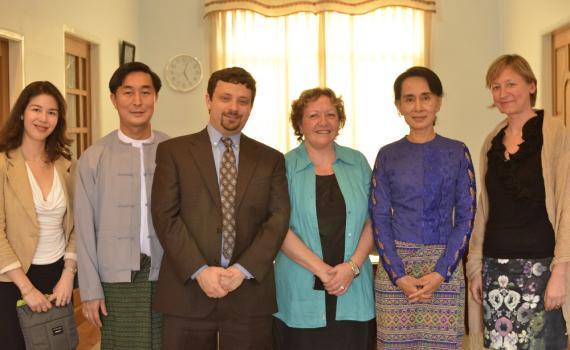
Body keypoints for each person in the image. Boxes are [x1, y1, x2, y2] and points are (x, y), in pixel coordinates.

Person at [151, 66, 290, 350]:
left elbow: (277, 219)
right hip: (187, 289)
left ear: (251, 106)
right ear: (208, 100)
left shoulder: (270, 159)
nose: (234, 107)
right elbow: (165, 217)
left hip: (249, 291)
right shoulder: (174, 152)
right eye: (225, 98)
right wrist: (200, 270)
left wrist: (242, 270)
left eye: (243, 100)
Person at [466, 54, 570, 350]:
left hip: (542, 269)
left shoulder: (556, 134)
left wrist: (560, 273)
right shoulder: (491, 142)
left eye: (511, 83)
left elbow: (567, 207)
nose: (503, 93)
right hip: (495, 269)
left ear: (531, 86)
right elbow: (484, 211)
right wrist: (476, 269)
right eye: (496, 86)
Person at [370, 66, 476, 349]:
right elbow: (379, 216)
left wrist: (442, 272)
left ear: (438, 101)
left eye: (425, 97)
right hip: (396, 269)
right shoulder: (387, 155)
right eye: (409, 99)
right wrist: (398, 275)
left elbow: (466, 216)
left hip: (445, 268)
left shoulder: (457, 151)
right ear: (398, 106)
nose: (418, 107)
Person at [272, 87, 375, 350]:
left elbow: (374, 219)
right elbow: (277, 227)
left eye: (331, 114)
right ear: (299, 122)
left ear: (339, 122)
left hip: (352, 287)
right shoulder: (282, 166)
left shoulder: (358, 162)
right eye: (313, 115)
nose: (323, 122)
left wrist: (351, 267)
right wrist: (323, 271)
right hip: (299, 290)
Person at [75, 62, 168, 350]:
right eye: (128, 92)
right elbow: (83, 229)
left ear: (156, 97)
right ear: (114, 99)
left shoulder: (174, 151)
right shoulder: (93, 157)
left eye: (145, 92)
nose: (137, 101)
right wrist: (89, 289)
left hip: (166, 275)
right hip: (115, 279)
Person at [0, 81, 76, 350]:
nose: (44, 119)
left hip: (56, 277)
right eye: (36, 109)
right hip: (12, 280)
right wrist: (27, 289)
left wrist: (68, 274)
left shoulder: (65, 164)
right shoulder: (2, 163)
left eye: (52, 112)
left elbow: (77, 225)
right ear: (22, 112)